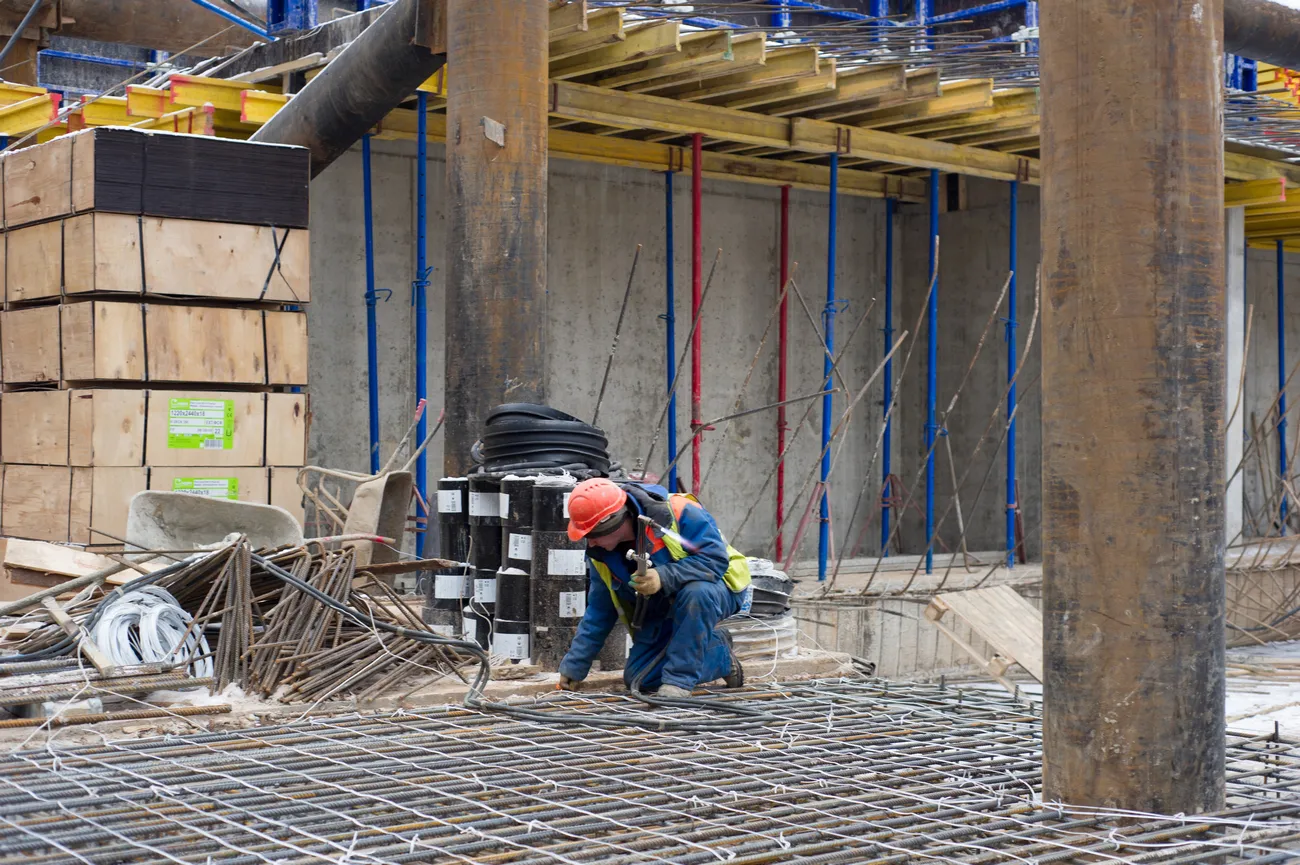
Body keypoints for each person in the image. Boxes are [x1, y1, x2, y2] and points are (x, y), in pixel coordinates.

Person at [557, 477, 752, 698]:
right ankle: (720, 653)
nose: (590, 543)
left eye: (592, 535)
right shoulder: (601, 555)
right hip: (663, 608)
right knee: (639, 679)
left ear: (614, 523)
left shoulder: (679, 511)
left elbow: (715, 561)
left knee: (696, 592)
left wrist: (663, 577)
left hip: (716, 590)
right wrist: (575, 666)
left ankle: (680, 681)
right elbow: (600, 611)